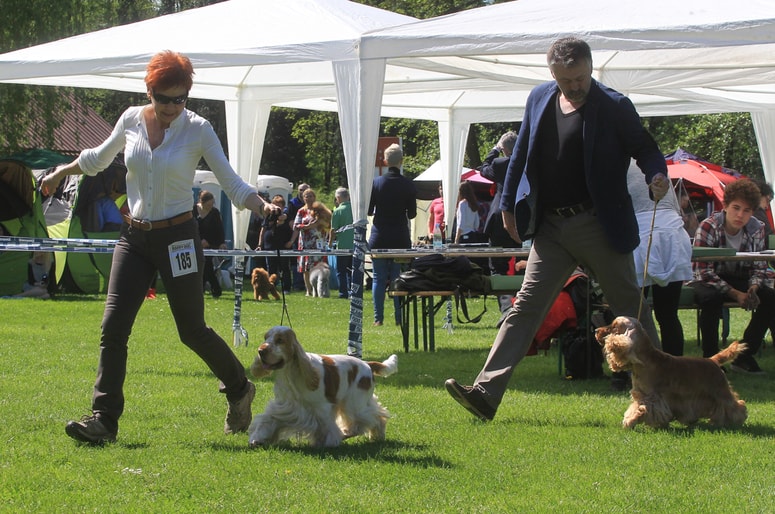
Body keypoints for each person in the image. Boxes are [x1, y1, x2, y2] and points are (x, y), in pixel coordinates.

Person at [41, 50, 280, 444]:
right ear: (148, 91)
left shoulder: (199, 128)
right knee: (112, 328)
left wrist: (263, 205)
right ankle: (104, 420)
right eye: (164, 97)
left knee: (192, 331)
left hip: (179, 238)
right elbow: (98, 159)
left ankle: (240, 387)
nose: (172, 106)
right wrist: (61, 172)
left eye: (180, 98)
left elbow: (233, 183)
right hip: (133, 238)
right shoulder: (131, 118)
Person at [445, 37, 668, 421]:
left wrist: (657, 173)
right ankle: (485, 393)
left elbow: (645, 148)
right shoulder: (539, 98)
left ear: (590, 68)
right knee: (525, 308)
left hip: (599, 224)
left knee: (630, 311)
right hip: (550, 227)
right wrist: (508, 205)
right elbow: (520, 155)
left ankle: (665, 393)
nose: (575, 86)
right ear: (552, 74)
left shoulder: (614, 105)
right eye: (567, 80)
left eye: (581, 77)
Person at [689, 178, 775, 373]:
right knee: (710, 298)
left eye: (746, 210)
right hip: (706, 278)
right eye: (736, 208)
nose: (740, 215)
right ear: (725, 206)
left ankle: (744, 355)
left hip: (740, 277)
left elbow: (759, 266)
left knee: (770, 297)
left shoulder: (757, 228)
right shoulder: (708, 226)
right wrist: (736, 294)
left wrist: (753, 288)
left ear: (753, 211)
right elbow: (703, 270)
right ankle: (711, 360)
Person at [627, 162, 693, 356]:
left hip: (642, 234)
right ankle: (675, 371)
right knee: (667, 314)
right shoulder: (654, 160)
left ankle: (628, 372)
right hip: (672, 234)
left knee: (634, 314)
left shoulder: (618, 159)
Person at [368, 143, 417, 326]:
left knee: (378, 278)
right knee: (398, 277)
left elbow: (370, 209)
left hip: (379, 235)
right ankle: (399, 317)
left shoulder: (376, 183)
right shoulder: (408, 185)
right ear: (402, 160)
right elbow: (412, 214)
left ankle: (378, 318)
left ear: (385, 160)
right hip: (400, 237)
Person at [479, 131, 524, 275]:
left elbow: (483, 169)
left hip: (500, 216)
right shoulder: (529, 162)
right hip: (522, 214)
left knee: (498, 262)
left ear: (505, 150)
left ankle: (502, 293)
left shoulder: (500, 164)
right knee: (524, 259)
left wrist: (495, 149)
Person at [293, 188, 328, 296]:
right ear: (303, 198)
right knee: (306, 268)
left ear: (314, 197)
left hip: (318, 242)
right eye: (306, 196)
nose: (308, 198)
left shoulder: (321, 209)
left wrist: (320, 223)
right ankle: (309, 290)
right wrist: (307, 226)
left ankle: (319, 290)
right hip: (305, 243)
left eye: (310, 196)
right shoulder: (301, 211)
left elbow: (327, 223)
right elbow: (296, 226)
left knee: (318, 266)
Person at [258, 194, 294, 293]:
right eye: (274, 204)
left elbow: (295, 229)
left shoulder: (287, 216)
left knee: (285, 268)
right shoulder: (268, 217)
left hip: (283, 246)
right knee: (271, 268)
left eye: (279, 205)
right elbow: (263, 230)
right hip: (269, 246)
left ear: (283, 206)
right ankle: (271, 287)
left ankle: (286, 288)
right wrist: (260, 244)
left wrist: (291, 241)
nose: (276, 207)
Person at [196, 190, 227, 298]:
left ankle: (214, 290)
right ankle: (209, 289)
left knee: (207, 265)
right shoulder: (193, 211)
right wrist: (199, 240)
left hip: (211, 244)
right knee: (203, 267)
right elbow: (190, 228)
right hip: (196, 244)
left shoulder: (215, 213)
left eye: (212, 204)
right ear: (202, 202)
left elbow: (219, 229)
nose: (210, 206)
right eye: (208, 204)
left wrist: (221, 242)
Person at [329, 187, 354, 299]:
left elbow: (333, 230)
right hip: (355, 245)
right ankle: (355, 292)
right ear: (348, 197)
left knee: (341, 271)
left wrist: (330, 242)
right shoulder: (355, 209)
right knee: (353, 270)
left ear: (338, 198)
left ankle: (343, 293)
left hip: (343, 245)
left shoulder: (338, 211)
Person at [454, 180, 489, 245]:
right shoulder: (473, 204)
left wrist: (456, 239)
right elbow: (477, 224)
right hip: (472, 235)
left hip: (463, 236)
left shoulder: (462, 204)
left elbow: (461, 223)